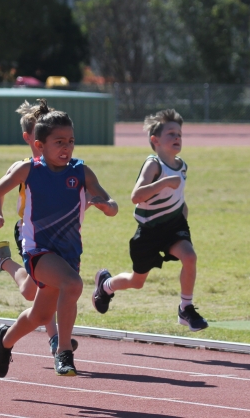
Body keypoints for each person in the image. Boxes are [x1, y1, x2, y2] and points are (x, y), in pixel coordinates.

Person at [0, 100, 118, 378]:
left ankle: (5, 340)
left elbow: (111, 203)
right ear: (39, 145)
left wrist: (106, 205)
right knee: (72, 285)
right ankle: (63, 351)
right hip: (38, 251)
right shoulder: (29, 170)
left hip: (68, 253)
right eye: (59, 142)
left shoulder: (81, 172)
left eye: (71, 141)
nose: (66, 148)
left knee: (39, 315)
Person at [91, 109, 208, 332]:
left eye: (180, 135)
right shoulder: (153, 164)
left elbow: (177, 196)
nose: (177, 138)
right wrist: (163, 183)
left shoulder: (182, 166)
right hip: (149, 232)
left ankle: (186, 308)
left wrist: (183, 215)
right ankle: (105, 286)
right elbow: (136, 196)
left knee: (190, 257)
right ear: (155, 140)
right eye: (171, 134)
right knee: (137, 281)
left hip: (173, 227)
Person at [0, 100, 80, 355]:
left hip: (57, 236)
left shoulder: (66, 167)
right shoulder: (23, 167)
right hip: (29, 233)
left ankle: (1, 260)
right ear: (32, 139)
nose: (55, 142)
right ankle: (56, 338)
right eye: (43, 134)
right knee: (32, 292)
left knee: (41, 290)